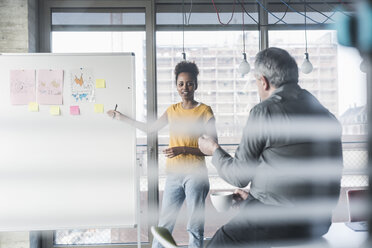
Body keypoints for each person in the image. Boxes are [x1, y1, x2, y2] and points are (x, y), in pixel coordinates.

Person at [198, 47, 343, 248]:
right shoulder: (326, 115)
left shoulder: (264, 112)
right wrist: (255, 199)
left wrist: (213, 149)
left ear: (263, 81)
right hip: (318, 223)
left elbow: (238, 176)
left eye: (256, 81)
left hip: (275, 224)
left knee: (219, 242)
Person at [107, 61, 217, 248]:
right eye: (181, 84)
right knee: (165, 225)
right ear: (176, 86)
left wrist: (183, 149)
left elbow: (213, 146)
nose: (185, 88)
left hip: (196, 174)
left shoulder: (204, 111)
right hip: (174, 175)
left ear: (196, 85)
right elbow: (150, 129)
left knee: (194, 226)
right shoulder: (172, 110)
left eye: (189, 83)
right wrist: (121, 118)